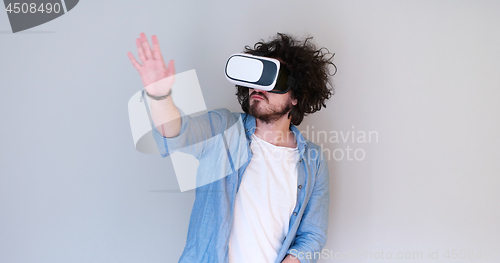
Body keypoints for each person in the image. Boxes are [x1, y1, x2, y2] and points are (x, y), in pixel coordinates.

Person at [127, 32, 336, 263]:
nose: (258, 87)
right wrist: (160, 96)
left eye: (271, 79)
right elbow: (178, 133)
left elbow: (312, 235)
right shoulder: (224, 130)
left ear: (296, 96)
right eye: (255, 79)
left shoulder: (313, 160)